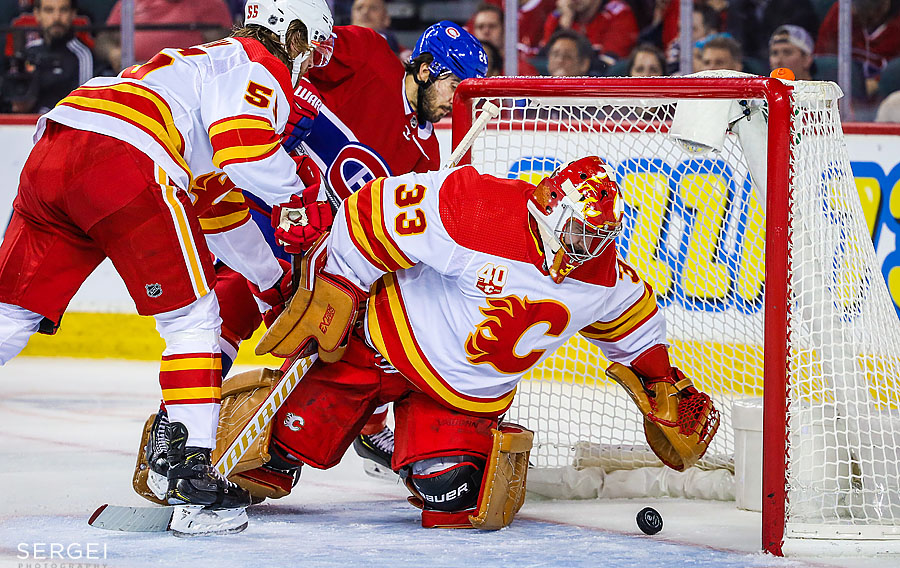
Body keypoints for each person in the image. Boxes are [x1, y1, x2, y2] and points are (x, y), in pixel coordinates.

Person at [229, 156, 720, 528]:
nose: (585, 247)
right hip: (378, 349)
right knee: (269, 459)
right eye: (577, 230)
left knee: (455, 496)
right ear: (550, 206)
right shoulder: (474, 207)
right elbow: (369, 213)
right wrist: (338, 285)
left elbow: (635, 329)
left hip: (462, 400)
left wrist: (662, 381)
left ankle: (410, 448)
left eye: (599, 236)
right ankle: (209, 439)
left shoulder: (604, 279)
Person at [0, 0, 335, 533]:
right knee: (194, 319)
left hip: (57, 145)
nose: (308, 62)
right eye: (309, 45)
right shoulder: (252, 65)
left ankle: (179, 467)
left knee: (11, 318)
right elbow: (244, 152)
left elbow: (219, 212)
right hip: (124, 157)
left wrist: (273, 285)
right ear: (290, 33)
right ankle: (191, 481)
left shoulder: (192, 66)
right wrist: (303, 196)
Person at [142, 21, 488, 483]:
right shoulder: (368, 55)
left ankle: (350, 430)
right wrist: (288, 103)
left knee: (345, 329)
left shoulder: (425, 156)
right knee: (232, 305)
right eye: (453, 84)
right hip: (264, 198)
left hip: (313, 244)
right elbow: (299, 49)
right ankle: (175, 423)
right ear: (425, 69)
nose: (454, 100)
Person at [8, 0, 95, 113]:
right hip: (26, 126)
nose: (56, 17)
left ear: (73, 14)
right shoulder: (29, 52)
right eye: (49, 10)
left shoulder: (82, 55)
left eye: (63, 10)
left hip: (62, 126)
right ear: (37, 14)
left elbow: (85, 108)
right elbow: (15, 105)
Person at [95, 0, 234, 70]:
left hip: (188, 81)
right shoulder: (132, 2)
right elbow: (104, 38)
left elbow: (223, 50)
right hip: (135, 77)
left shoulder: (208, 4)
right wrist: (112, 53)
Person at [816, 0, 900, 95]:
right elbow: (822, 59)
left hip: (886, 96)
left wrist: (878, 82)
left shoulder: (896, 25)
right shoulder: (842, 12)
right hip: (843, 92)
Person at [541, 0, 639, 61]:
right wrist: (564, 26)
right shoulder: (559, 17)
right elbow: (546, 63)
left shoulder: (619, 14)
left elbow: (608, 65)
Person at [469, 2, 539, 76]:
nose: (486, 32)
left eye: (492, 26)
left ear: (505, 30)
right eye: (480, 27)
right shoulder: (465, 67)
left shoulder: (521, 70)